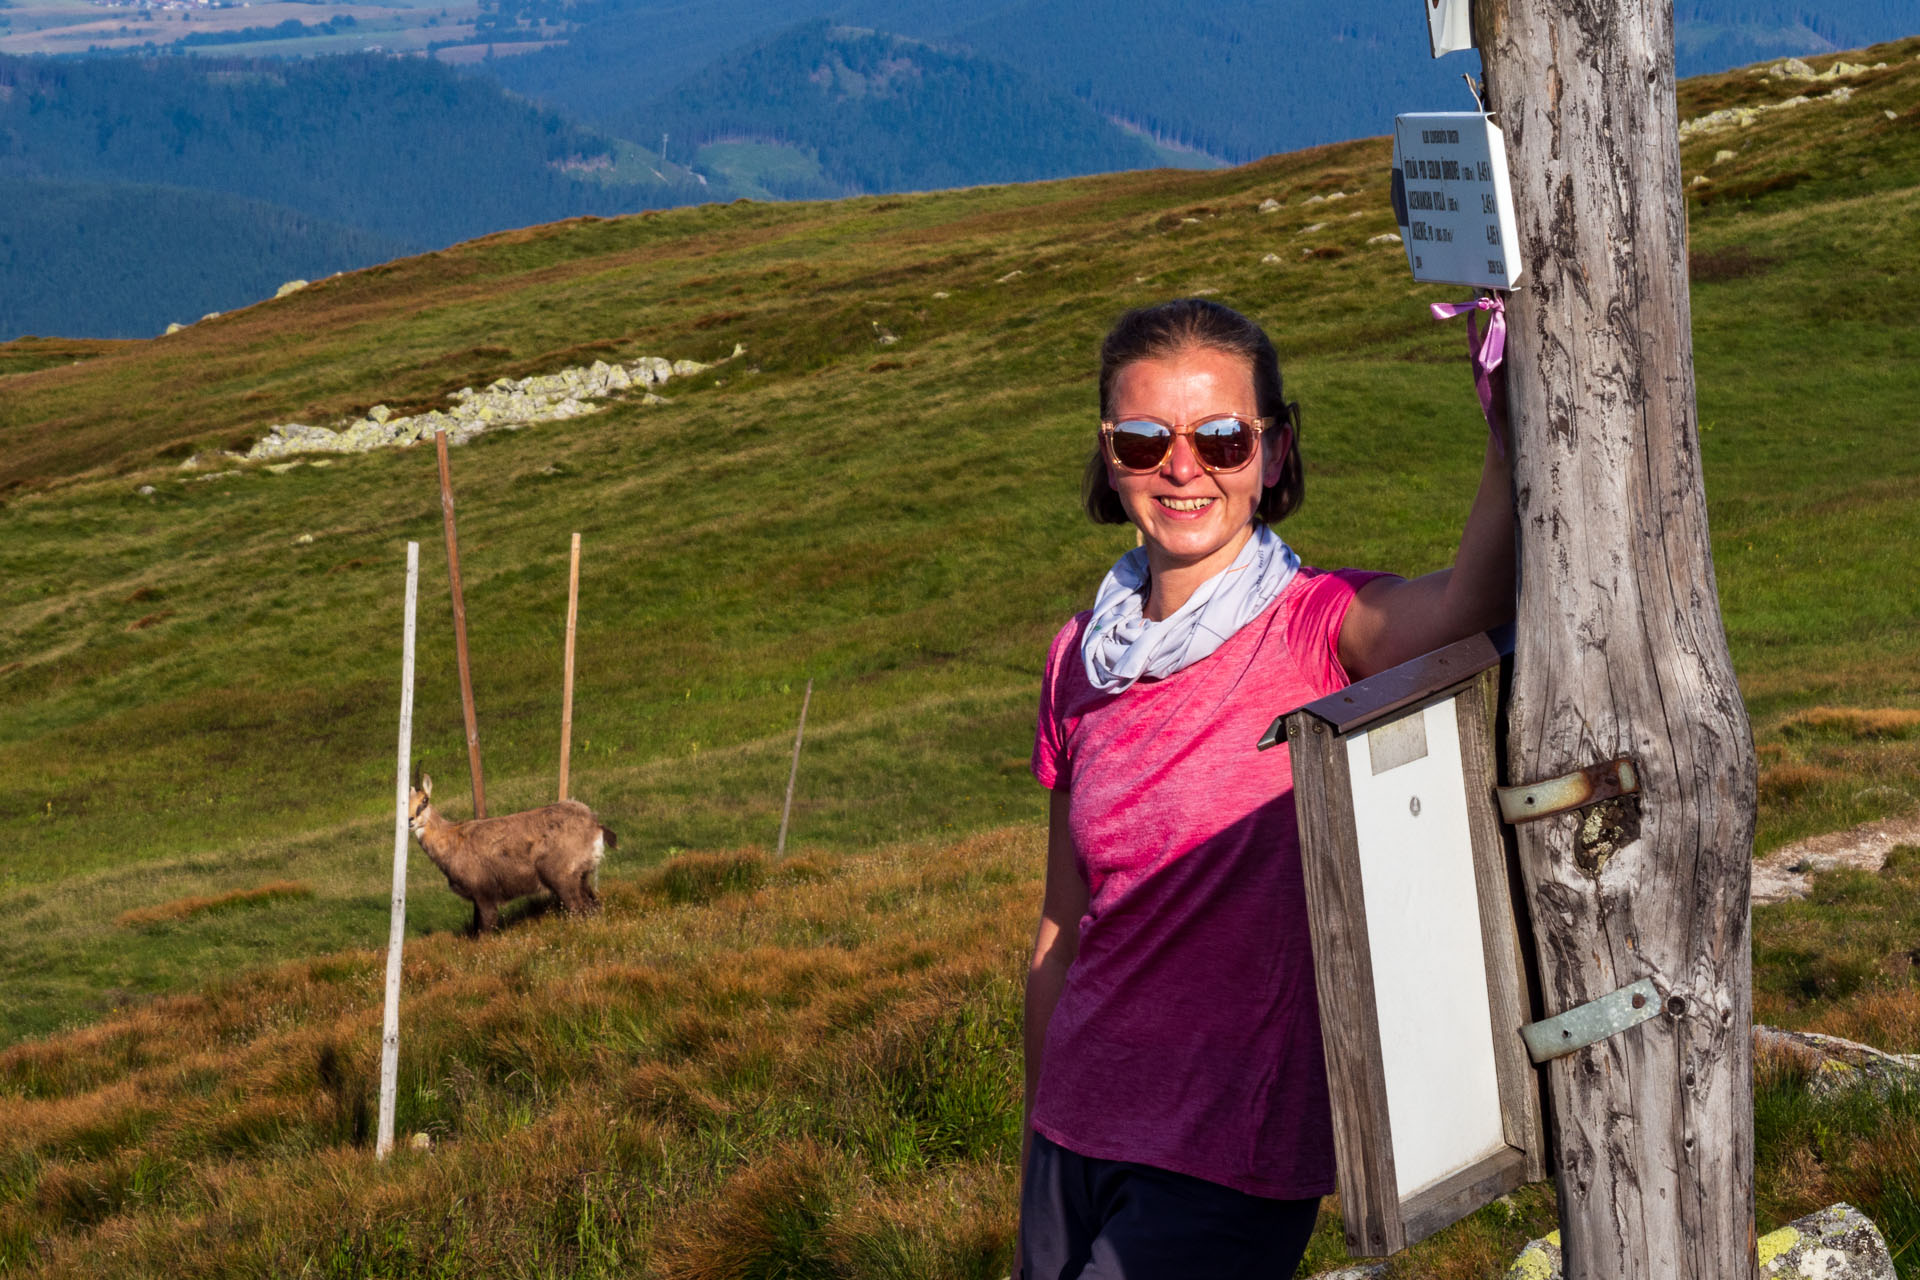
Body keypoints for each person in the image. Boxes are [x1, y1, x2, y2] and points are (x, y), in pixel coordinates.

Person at [1019, 298, 1514, 1279]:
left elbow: (1470, 608)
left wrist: (1509, 434)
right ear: (1109, 455)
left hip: (1225, 1158)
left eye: (1221, 438)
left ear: (1275, 453)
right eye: (1144, 437)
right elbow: (1061, 924)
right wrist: (1042, 1124)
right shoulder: (1080, 657)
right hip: (1071, 1134)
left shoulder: (1321, 629)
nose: (1183, 466)